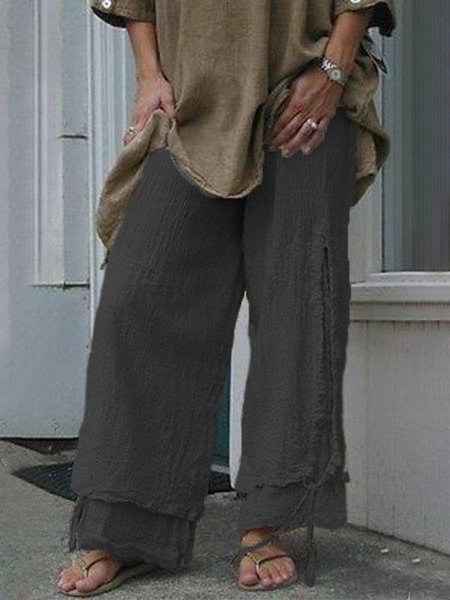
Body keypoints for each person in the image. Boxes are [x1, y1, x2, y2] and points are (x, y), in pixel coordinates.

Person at [56, 0, 396, 595]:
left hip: (304, 82)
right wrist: (149, 75)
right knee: (139, 297)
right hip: (194, 96)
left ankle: (270, 520)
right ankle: (129, 525)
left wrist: (334, 69)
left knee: (296, 306)